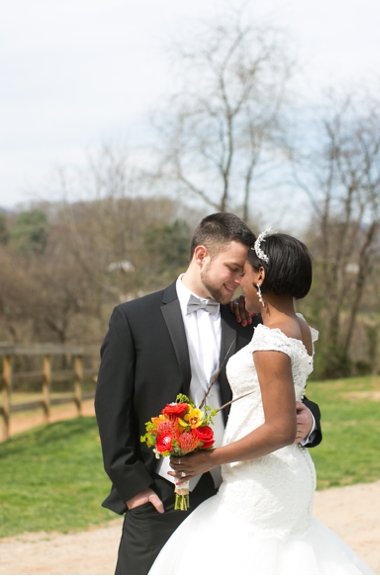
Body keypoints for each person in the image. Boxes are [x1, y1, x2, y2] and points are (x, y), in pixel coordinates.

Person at [95, 213, 323, 575]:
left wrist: (309, 418)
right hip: (163, 491)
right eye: (233, 268)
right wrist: (134, 489)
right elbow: (111, 408)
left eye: (245, 271)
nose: (239, 279)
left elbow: (286, 388)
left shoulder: (253, 322)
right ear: (201, 255)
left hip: (237, 487)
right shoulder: (133, 319)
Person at [148, 229, 373, 575]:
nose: (240, 282)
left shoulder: (271, 342)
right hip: (288, 472)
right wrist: (254, 307)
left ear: (262, 276)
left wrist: (209, 459)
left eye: (246, 273)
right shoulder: (299, 327)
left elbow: (281, 429)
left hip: (262, 478)